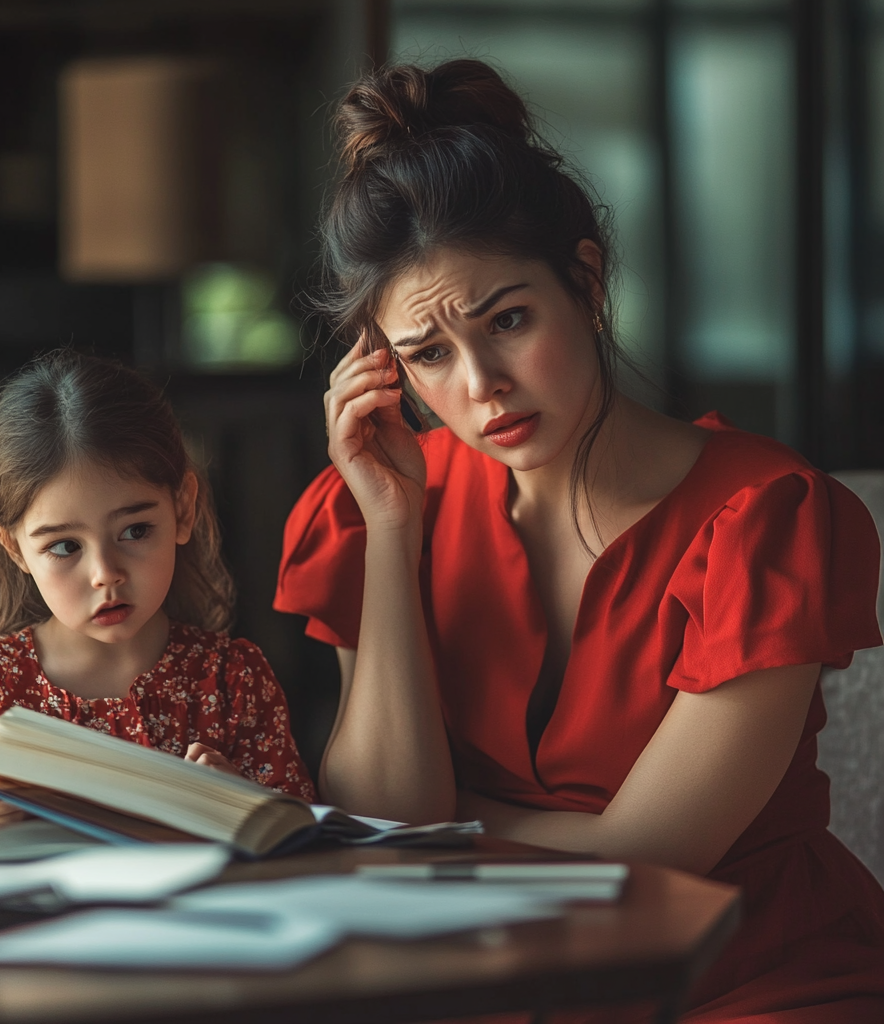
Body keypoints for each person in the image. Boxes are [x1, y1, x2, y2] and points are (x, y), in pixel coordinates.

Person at [274, 59, 884, 1021]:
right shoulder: (376, 511)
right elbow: (383, 815)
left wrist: (437, 829)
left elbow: (650, 854)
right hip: (494, 981)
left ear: (587, 282)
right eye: (428, 354)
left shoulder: (767, 520)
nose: (481, 384)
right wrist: (393, 531)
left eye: (508, 320)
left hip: (751, 978)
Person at [0, 350, 313, 852]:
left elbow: (302, 826)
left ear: (183, 509)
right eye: (64, 546)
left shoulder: (230, 679)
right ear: (15, 548)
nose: (106, 574)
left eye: (135, 530)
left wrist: (241, 800)